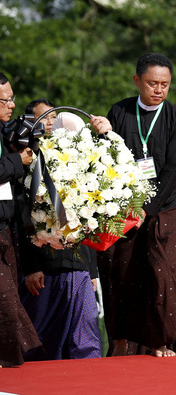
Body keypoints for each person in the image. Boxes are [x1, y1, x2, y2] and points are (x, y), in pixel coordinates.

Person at [90, 52, 176, 358]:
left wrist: (150, 208)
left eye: (165, 84)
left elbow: (174, 171)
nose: (158, 90)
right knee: (119, 270)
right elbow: (109, 158)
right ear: (137, 81)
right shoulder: (120, 111)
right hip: (125, 205)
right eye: (152, 83)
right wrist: (102, 132)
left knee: (162, 272)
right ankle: (119, 340)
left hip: (166, 207)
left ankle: (162, 341)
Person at [19, 99, 101, 361]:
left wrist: (93, 270)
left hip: (78, 268)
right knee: (41, 343)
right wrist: (31, 267)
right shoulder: (24, 159)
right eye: (43, 118)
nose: (49, 123)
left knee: (85, 337)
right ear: (31, 123)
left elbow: (89, 218)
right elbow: (22, 219)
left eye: (53, 118)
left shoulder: (78, 160)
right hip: (43, 269)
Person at [0, 72, 41, 367]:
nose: (13, 105)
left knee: (8, 295)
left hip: (7, 227)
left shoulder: (5, 131)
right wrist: (18, 161)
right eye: (6, 99)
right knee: (5, 300)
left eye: (12, 98)